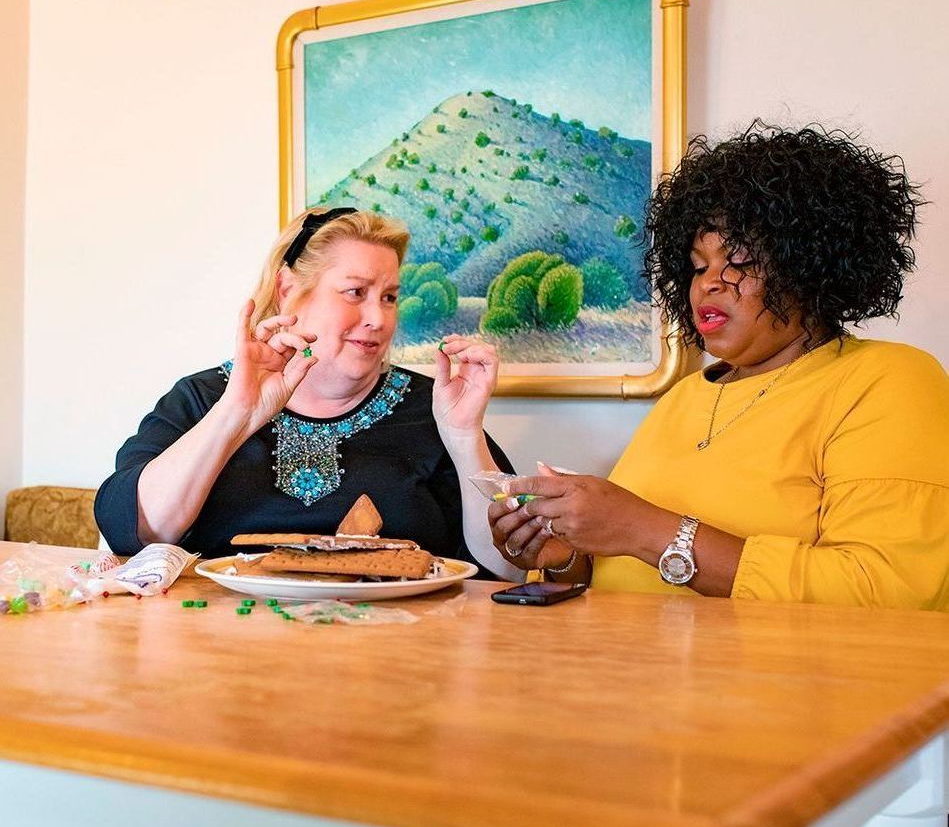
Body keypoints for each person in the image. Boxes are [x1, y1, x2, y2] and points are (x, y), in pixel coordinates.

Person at [489, 122, 949, 609]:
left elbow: (887, 592)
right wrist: (560, 550)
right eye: (697, 265)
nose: (707, 283)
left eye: (740, 260)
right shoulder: (686, 397)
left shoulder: (889, 380)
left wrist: (645, 528)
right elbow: (621, 566)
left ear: (811, 265)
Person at [96, 207, 522, 580]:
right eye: (356, 292)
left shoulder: (437, 407)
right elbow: (134, 530)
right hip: (222, 651)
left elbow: (506, 569)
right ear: (287, 290)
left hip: (395, 652)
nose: (378, 318)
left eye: (389, 297)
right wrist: (237, 413)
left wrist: (466, 436)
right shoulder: (202, 398)